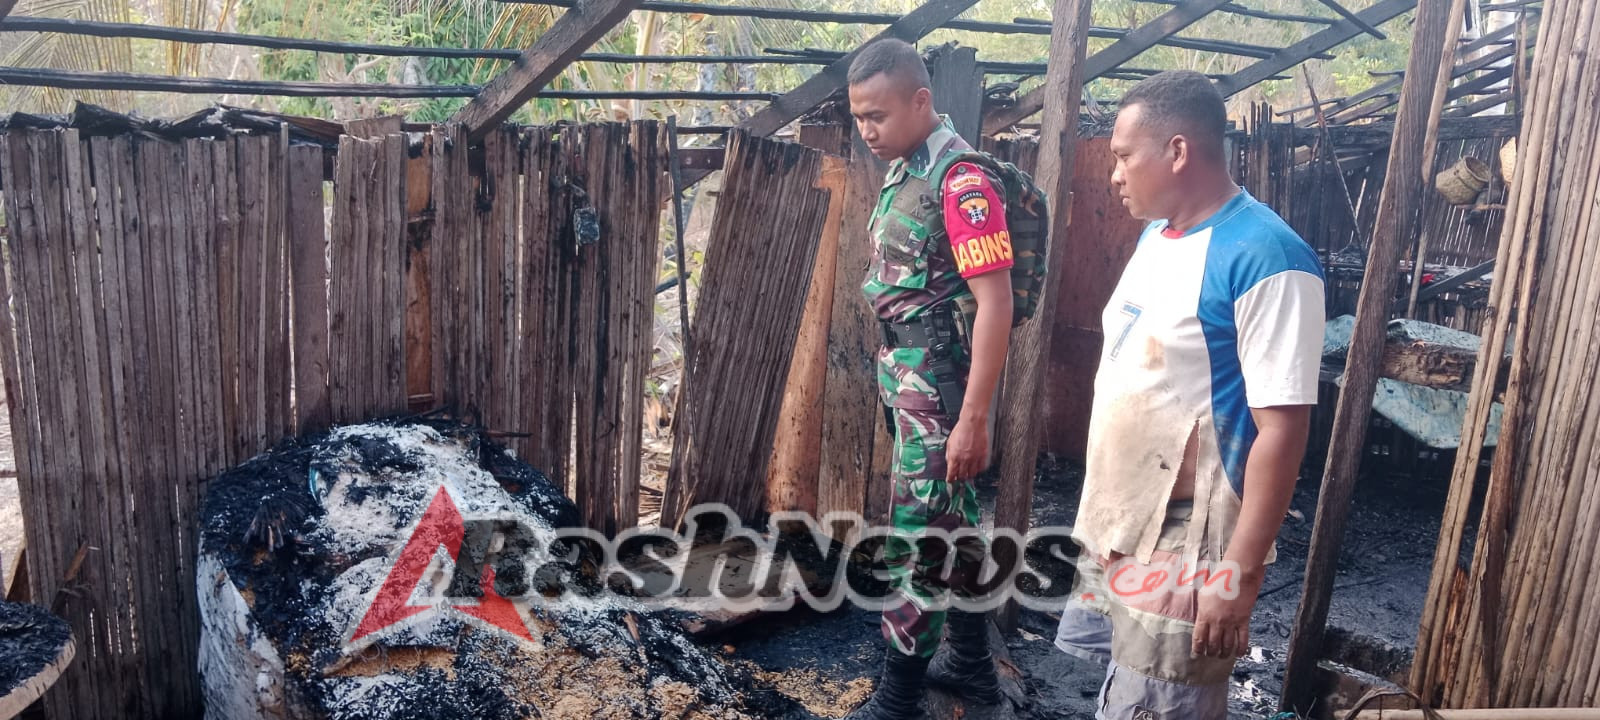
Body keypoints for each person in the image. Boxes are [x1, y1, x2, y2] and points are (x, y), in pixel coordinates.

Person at [1052, 70, 1326, 720]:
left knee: (1160, 703)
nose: (1114, 173)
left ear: (1177, 151)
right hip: (1124, 522)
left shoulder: (1267, 258)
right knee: (1128, 688)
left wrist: (1239, 577)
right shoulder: (1160, 234)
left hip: (1189, 541)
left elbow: (1282, 432)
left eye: (1123, 155)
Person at [843, 38, 1016, 720]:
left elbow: (995, 302)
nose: (866, 130)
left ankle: (900, 697)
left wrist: (974, 417)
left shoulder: (960, 181)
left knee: (917, 534)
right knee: (953, 522)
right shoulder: (905, 168)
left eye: (878, 115)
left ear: (922, 101)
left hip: (939, 385)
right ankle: (972, 664)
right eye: (858, 117)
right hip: (907, 376)